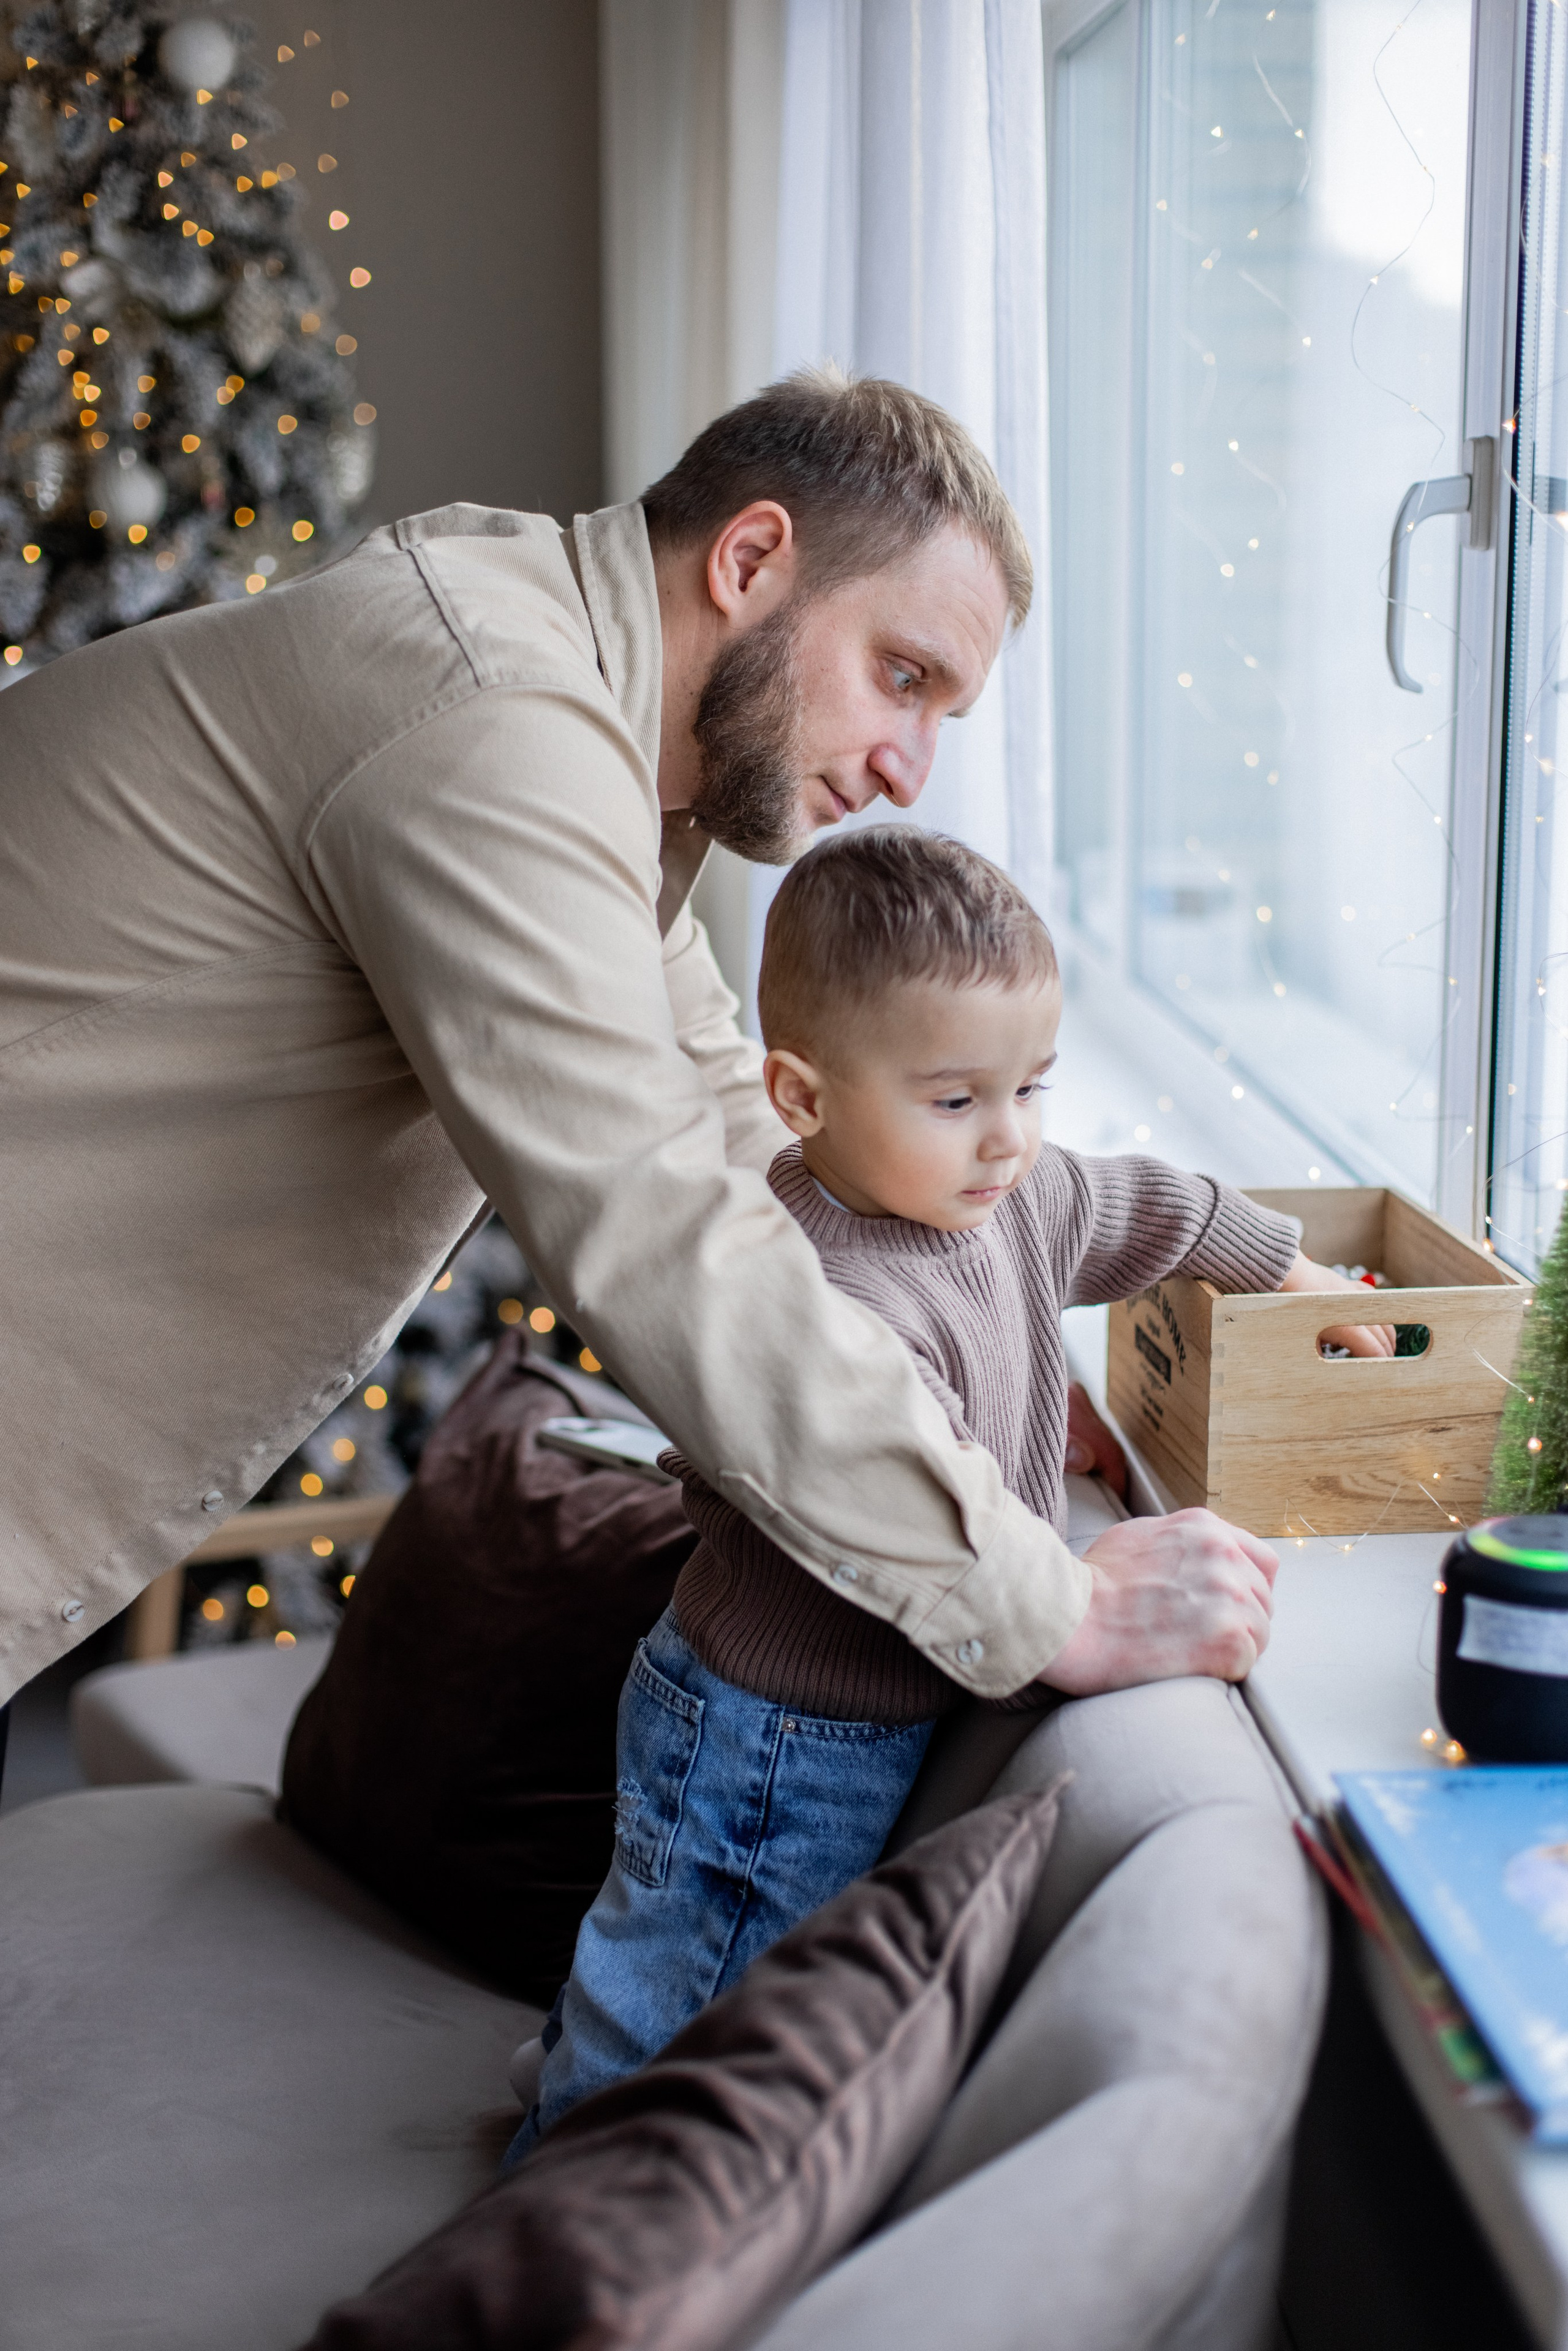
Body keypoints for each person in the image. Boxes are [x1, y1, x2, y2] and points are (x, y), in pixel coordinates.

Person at [1, 369, 1265, 1726]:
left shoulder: (573, 706)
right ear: (750, 558)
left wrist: (983, 1368)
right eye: (901, 676)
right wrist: (1045, 1600)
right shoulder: (491, 716)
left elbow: (744, 1127)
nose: (910, 768)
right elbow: (657, 1224)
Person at [513, 828, 1389, 2149]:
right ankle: (564, 2220)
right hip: (769, 1739)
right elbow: (911, 1510)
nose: (1010, 1141)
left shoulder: (1003, 1196)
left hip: (826, 1727)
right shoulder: (818, 1288)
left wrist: (1287, 1271)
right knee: (680, 2033)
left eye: (1033, 1085)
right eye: (955, 1099)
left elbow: (1144, 1203)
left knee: (674, 1976)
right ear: (800, 1098)